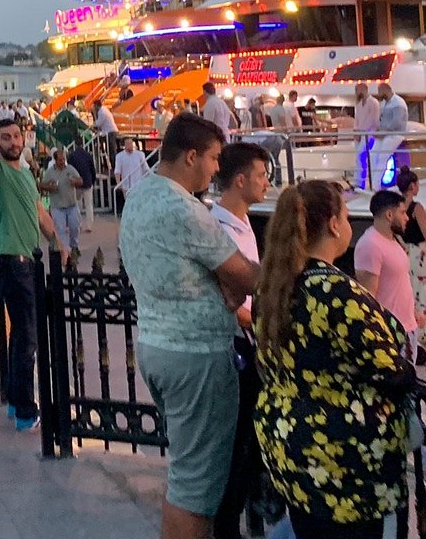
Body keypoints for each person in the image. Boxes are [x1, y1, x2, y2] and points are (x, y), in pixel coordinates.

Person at [119, 114, 257, 539]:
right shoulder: (185, 209)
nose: (218, 168)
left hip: (157, 345)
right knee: (197, 492)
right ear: (191, 155)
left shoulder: (139, 197)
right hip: (196, 358)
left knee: (184, 474)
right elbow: (246, 276)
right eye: (214, 158)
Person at [254, 180, 412, 539]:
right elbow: (388, 367)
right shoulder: (337, 292)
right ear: (334, 224)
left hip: (292, 443)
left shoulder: (276, 285)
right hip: (344, 463)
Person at [0, 78, 60, 432]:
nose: (12, 142)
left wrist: (59, 244)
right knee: (28, 335)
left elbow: (38, 211)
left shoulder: (24, 174)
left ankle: (13, 399)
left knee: (21, 335)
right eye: (6, 137)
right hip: (12, 259)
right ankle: (25, 408)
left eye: (16, 137)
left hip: (27, 259)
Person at [209, 144, 270, 539]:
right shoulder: (216, 227)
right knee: (236, 441)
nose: (267, 183)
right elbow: (224, 298)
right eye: (262, 175)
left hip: (252, 335)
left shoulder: (245, 222)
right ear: (240, 179)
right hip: (235, 343)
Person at [354, 189, 419, 355]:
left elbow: (399, 281)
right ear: (389, 215)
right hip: (390, 333)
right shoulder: (370, 245)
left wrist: (413, 313)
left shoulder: (392, 240)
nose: (407, 218)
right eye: (403, 212)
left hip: (407, 327)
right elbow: (368, 296)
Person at [396, 167, 426, 341]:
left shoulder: (398, 208)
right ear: (412, 186)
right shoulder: (416, 208)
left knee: (413, 291)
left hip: (407, 252)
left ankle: (413, 329)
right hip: (421, 253)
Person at [40, 146, 83, 261]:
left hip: (71, 204)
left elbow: (80, 180)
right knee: (60, 230)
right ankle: (66, 252)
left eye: (63, 159)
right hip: (57, 206)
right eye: (60, 160)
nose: (62, 161)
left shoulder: (70, 169)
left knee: (75, 227)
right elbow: (41, 185)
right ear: (55, 160)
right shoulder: (50, 172)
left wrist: (75, 182)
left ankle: (74, 246)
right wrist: (50, 187)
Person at [353, 82, 380, 188]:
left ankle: (363, 183)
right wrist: (356, 131)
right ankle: (359, 182)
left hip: (369, 134)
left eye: (357, 90)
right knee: (358, 158)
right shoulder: (358, 104)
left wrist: (362, 131)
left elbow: (374, 120)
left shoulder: (373, 102)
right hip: (359, 134)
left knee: (363, 156)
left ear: (364, 89)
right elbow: (357, 120)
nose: (356, 92)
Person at [113, 134, 149, 216]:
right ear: (124, 146)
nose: (130, 145)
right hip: (126, 186)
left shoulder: (140, 154)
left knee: (139, 205)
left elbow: (145, 168)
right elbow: (117, 171)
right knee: (129, 205)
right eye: (128, 144)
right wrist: (119, 183)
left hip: (138, 184)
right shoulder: (119, 156)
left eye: (131, 143)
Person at [66, 137, 97, 233]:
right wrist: (93, 180)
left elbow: (69, 170)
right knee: (89, 204)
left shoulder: (71, 156)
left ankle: (78, 224)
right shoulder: (88, 155)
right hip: (87, 182)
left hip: (77, 183)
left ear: (74, 144)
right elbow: (92, 169)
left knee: (77, 205)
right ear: (83, 144)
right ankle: (89, 226)